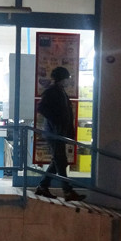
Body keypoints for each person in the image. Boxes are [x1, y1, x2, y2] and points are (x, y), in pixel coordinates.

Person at [35, 67, 86, 202]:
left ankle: (43, 186)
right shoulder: (52, 91)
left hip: (58, 133)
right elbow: (41, 107)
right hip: (54, 133)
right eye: (67, 78)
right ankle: (67, 191)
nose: (68, 81)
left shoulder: (60, 91)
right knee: (61, 162)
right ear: (62, 79)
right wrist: (56, 121)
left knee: (57, 161)